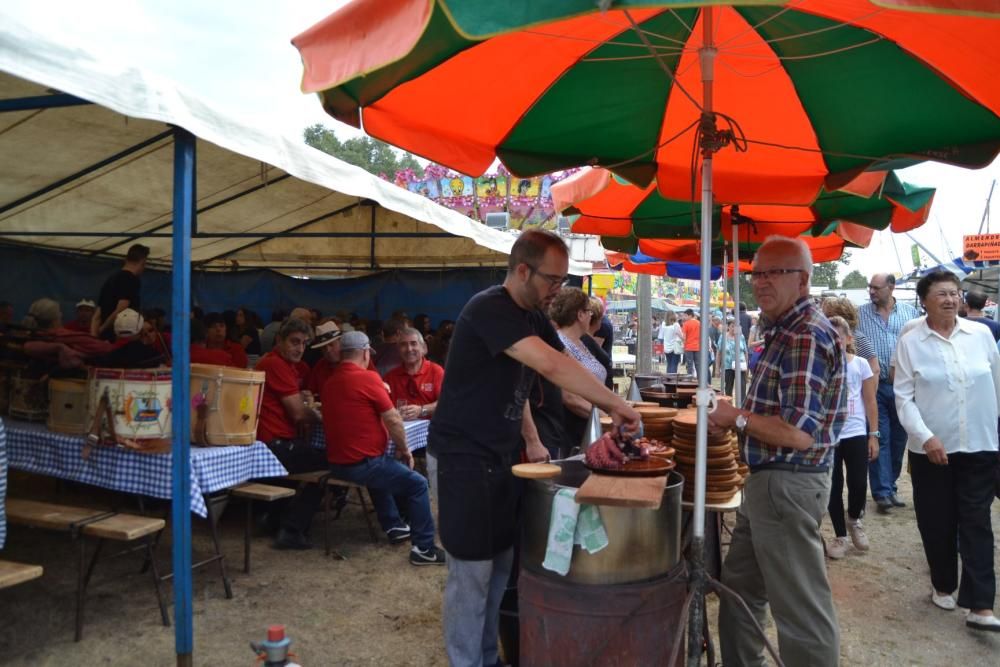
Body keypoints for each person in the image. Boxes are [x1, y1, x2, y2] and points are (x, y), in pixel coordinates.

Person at [429, 230, 641, 667]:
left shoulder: (532, 317)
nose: (557, 291)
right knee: (472, 573)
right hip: (463, 458)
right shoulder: (490, 308)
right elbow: (551, 364)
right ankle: (467, 661)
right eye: (552, 280)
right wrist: (616, 405)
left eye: (564, 282)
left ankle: (489, 657)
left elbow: (540, 371)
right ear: (522, 270)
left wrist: (530, 437)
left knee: (503, 565)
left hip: (505, 457)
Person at [708, 235, 845, 666]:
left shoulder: (804, 334)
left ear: (803, 281)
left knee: (800, 609)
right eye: (757, 273)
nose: (761, 282)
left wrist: (736, 419)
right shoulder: (784, 329)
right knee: (741, 589)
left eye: (774, 273)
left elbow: (799, 432)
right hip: (769, 482)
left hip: (788, 483)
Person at [894, 270, 1000, 632]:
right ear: (924, 300)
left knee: (977, 521)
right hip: (931, 451)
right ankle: (943, 583)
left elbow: (997, 385)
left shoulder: (981, 335)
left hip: (980, 445)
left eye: (955, 293)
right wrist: (926, 437)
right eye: (942, 293)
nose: (951, 299)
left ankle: (981, 605)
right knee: (937, 521)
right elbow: (903, 398)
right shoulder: (911, 341)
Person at [322, 331, 446, 565]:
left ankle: (394, 525)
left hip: (337, 464)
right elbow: (393, 419)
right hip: (362, 464)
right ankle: (424, 549)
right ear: (366, 352)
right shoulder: (368, 378)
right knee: (418, 484)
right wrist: (406, 450)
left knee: (383, 466)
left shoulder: (330, 383)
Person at [255, 318, 327, 550]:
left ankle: (273, 519)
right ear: (279, 340)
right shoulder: (275, 364)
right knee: (337, 462)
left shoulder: (286, 366)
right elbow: (298, 413)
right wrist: (326, 418)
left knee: (310, 457)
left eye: (304, 343)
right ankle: (292, 529)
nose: (300, 348)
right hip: (273, 445)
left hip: (278, 442)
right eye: (295, 342)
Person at [858, 272, 921, 514]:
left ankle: (891, 485)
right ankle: (882, 491)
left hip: (904, 387)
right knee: (878, 436)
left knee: (899, 440)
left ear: (891, 287)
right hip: (873, 385)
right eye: (869, 287)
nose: (871, 292)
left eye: (876, 287)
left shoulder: (910, 314)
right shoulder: (860, 314)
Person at [825, 316, 879, 560]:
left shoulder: (860, 364)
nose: (834, 342)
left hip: (855, 431)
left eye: (839, 337)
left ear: (848, 339)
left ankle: (854, 519)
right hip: (829, 435)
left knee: (858, 482)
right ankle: (840, 535)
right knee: (833, 486)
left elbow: (870, 400)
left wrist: (873, 434)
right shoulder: (821, 365)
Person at [549, 287, 608, 450]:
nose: (591, 315)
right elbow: (570, 398)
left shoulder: (581, 342)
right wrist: (606, 417)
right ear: (579, 315)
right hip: (573, 432)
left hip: (589, 425)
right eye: (588, 311)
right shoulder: (560, 344)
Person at [92, 243, 149, 340]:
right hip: (121, 338)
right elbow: (122, 308)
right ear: (143, 261)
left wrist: (94, 337)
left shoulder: (110, 280)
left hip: (105, 340)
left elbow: (97, 315)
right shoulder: (131, 279)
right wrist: (103, 329)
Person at [385, 327, 444, 420]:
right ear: (398, 350)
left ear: (424, 347)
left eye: (413, 343)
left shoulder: (436, 371)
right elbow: (383, 408)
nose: (409, 349)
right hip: (401, 430)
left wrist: (422, 410)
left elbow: (446, 402)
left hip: (431, 430)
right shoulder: (390, 377)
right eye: (403, 345)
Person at [821, 296, 880, 379]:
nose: (824, 319)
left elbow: (874, 369)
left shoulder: (858, 338)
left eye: (827, 315)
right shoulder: (826, 335)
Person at [304, 321, 342, 396]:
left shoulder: (357, 361)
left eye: (331, 345)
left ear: (341, 342)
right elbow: (311, 392)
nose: (328, 350)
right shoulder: (320, 366)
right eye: (324, 347)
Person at [715, 317, 748, 397]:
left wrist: (747, 366)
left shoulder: (741, 337)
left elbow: (745, 352)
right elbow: (719, 353)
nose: (734, 328)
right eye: (733, 326)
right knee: (728, 388)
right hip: (728, 366)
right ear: (728, 326)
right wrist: (717, 368)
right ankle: (729, 406)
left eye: (737, 326)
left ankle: (741, 406)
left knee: (742, 388)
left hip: (741, 366)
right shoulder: (723, 337)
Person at [680, 309, 700, 377]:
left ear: (690, 315)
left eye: (685, 316)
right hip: (697, 347)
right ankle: (700, 379)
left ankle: (689, 379)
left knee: (689, 364)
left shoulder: (686, 324)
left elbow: (684, 337)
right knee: (698, 364)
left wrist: (679, 336)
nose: (684, 317)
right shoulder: (699, 323)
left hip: (688, 347)